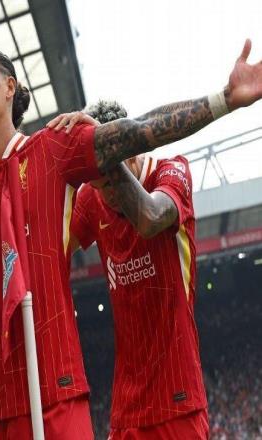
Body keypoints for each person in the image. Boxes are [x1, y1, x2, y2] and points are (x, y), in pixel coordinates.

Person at [0, 41, 262, 439]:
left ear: (9, 87)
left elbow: (140, 130)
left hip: (58, 396)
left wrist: (225, 98)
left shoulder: (53, 151)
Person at [49, 100, 208, 438]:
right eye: (98, 186)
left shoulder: (171, 171)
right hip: (126, 407)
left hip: (178, 398)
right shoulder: (93, 198)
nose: (106, 195)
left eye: (109, 183)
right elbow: (50, 248)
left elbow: (151, 219)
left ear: (133, 153)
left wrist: (109, 154)